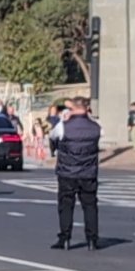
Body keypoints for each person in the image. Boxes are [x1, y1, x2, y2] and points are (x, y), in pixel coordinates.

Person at [52, 99, 103, 250]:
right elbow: (100, 132)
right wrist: (89, 117)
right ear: (87, 109)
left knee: (66, 205)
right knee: (90, 206)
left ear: (72, 109)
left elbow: (53, 137)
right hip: (88, 173)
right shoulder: (96, 127)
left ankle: (65, 238)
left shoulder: (63, 126)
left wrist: (64, 119)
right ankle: (92, 239)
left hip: (67, 172)